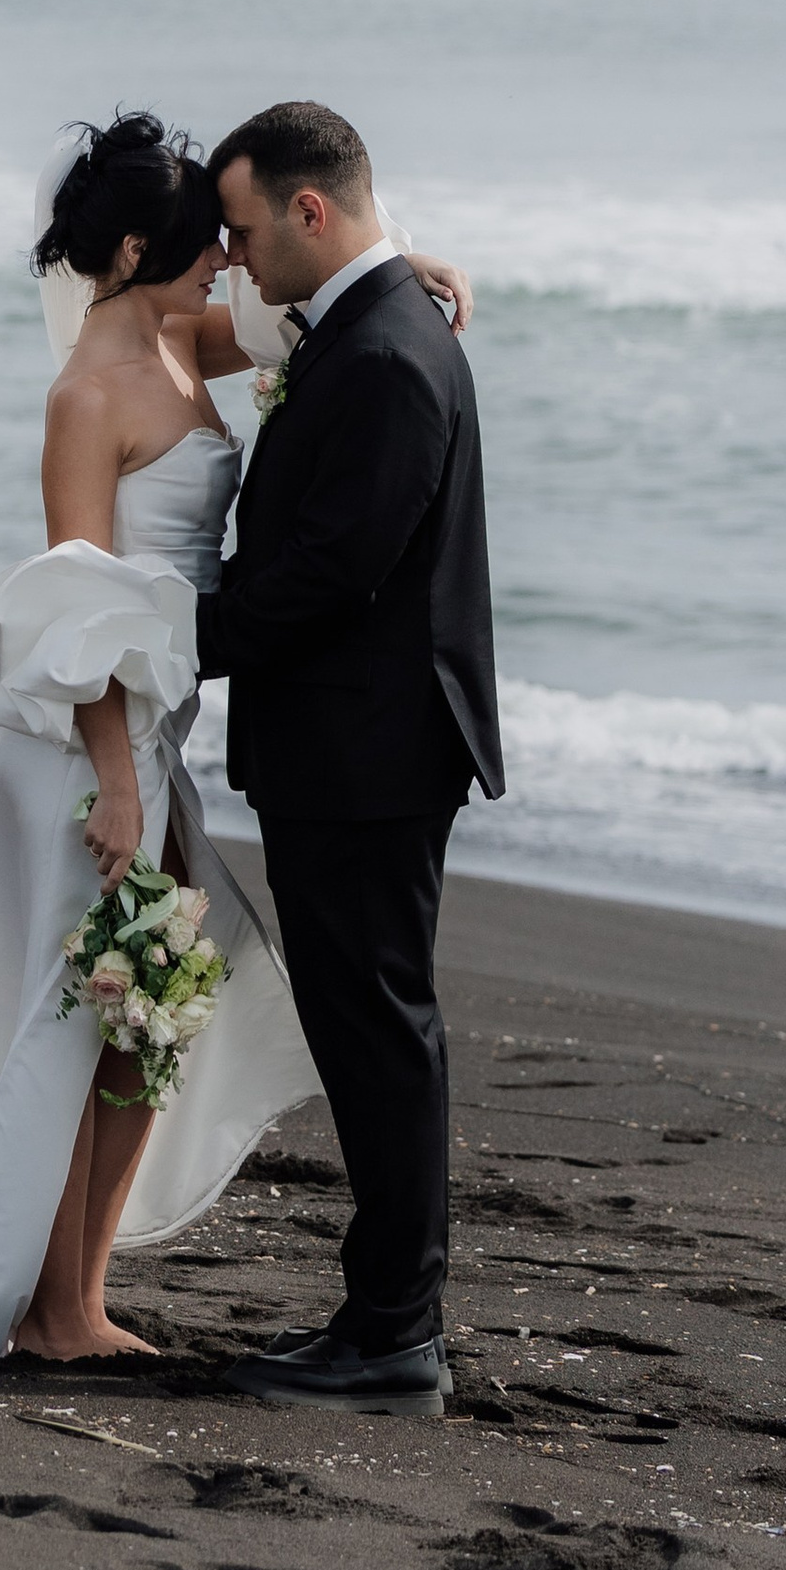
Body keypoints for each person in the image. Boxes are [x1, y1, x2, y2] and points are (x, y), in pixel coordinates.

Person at [0, 111, 475, 1374]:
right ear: (135, 249)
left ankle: (68, 1294)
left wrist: (426, 267)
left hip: (153, 730)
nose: (228, 263)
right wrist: (118, 781)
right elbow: (75, 604)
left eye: (232, 240)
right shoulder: (88, 394)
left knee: (148, 1004)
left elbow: (328, 311)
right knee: (97, 1003)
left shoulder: (185, 337)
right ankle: (53, 1309)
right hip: (80, 743)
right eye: (205, 246)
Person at [200, 100, 502, 1414]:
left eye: (247, 227)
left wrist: (162, 631)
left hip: (370, 754)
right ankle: (385, 1317)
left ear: (309, 212)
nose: (236, 257)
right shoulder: (375, 321)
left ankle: (393, 1332)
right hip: (350, 746)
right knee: (368, 1026)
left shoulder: (384, 355)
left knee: (380, 1033)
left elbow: (329, 575)